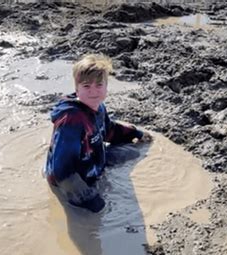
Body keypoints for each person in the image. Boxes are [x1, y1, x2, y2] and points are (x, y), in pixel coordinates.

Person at [45, 54, 153, 213]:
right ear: (77, 89)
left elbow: (109, 131)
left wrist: (135, 133)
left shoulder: (98, 107)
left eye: (99, 85)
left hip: (93, 159)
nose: (93, 92)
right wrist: (87, 197)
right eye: (86, 86)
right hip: (71, 176)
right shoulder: (71, 120)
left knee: (135, 153)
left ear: (106, 87)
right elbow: (62, 169)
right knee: (98, 210)